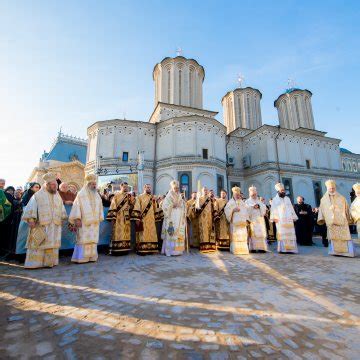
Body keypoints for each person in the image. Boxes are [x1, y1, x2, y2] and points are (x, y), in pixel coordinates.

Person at [22, 172, 67, 269]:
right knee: (39, 243)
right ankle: (34, 264)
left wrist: (63, 217)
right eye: (53, 185)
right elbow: (31, 207)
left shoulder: (57, 196)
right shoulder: (38, 195)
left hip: (54, 225)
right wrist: (31, 219)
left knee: (51, 244)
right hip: (40, 224)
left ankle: (49, 263)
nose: (55, 187)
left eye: (56, 185)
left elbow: (61, 208)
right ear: (47, 185)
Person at [69, 174, 104, 263]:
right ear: (88, 184)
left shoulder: (97, 195)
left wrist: (100, 217)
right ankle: (81, 258)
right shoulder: (81, 194)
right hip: (84, 222)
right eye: (92, 184)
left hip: (94, 222)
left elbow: (100, 207)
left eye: (95, 184)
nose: (94, 186)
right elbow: (76, 206)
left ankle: (92, 257)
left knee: (93, 240)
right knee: (83, 240)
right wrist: (77, 218)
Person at [317, 179, 354, 257]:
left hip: (342, 221)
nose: (331, 189)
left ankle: (347, 252)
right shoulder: (323, 199)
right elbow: (321, 209)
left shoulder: (342, 198)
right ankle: (335, 251)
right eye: (330, 188)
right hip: (331, 222)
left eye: (333, 188)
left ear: (335, 188)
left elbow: (346, 208)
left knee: (344, 237)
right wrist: (321, 218)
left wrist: (348, 217)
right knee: (333, 238)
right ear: (327, 189)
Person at [106, 182, 134, 255]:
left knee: (126, 233)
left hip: (126, 217)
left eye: (127, 187)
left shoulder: (129, 196)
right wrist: (113, 217)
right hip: (118, 218)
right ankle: (117, 250)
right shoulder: (116, 196)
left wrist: (130, 207)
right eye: (124, 187)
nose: (126, 188)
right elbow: (113, 206)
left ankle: (125, 250)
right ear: (121, 187)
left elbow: (133, 205)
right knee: (118, 233)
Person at [270, 183, 298, 254]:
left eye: (284, 190)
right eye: (281, 190)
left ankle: (291, 249)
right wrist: (274, 218)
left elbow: (291, 208)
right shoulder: (275, 200)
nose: (283, 191)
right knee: (282, 234)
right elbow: (273, 209)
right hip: (280, 219)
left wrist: (293, 216)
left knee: (290, 234)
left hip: (288, 219)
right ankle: (283, 249)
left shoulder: (287, 199)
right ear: (278, 191)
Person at [131, 184, 159, 255]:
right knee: (143, 234)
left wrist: (156, 202)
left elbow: (155, 208)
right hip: (143, 219)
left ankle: (151, 249)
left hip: (151, 219)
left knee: (151, 234)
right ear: (144, 188)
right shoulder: (139, 197)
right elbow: (137, 207)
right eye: (148, 188)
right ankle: (142, 249)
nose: (149, 189)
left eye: (150, 188)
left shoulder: (152, 198)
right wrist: (137, 219)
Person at [161, 180, 187, 256]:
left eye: (177, 188)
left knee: (178, 232)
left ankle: (177, 251)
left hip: (178, 216)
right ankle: (169, 251)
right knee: (171, 232)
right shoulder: (169, 195)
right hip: (171, 217)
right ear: (172, 187)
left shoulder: (179, 195)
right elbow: (164, 206)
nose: (176, 189)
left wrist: (183, 204)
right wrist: (172, 205)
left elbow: (182, 205)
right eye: (175, 188)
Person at [224, 186, 249, 255]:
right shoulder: (230, 202)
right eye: (236, 195)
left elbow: (246, 211)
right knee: (235, 236)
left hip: (242, 223)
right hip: (234, 222)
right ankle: (235, 250)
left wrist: (246, 219)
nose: (238, 196)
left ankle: (243, 250)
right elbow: (226, 210)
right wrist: (233, 210)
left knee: (242, 236)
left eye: (239, 195)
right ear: (233, 195)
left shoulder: (242, 203)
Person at [245, 186, 268, 252]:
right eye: (253, 194)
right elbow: (246, 209)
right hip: (252, 220)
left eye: (255, 194)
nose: (254, 195)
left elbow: (264, 208)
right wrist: (252, 207)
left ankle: (262, 248)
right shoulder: (247, 201)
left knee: (261, 234)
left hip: (260, 220)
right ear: (250, 194)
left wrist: (259, 206)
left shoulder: (259, 201)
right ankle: (253, 248)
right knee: (253, 234)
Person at [195, 187, 217, 253]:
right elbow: (197, 208)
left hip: (209, 217)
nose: (205, 191)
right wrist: (197, 199)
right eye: (204, 190)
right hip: (202, 218)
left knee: (209, 231)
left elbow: (214, 207)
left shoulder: (210, 199)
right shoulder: (200, 198)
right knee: (203, 231)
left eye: (206, 190)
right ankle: (203, 246)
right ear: (202, 191)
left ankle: (210, 246)